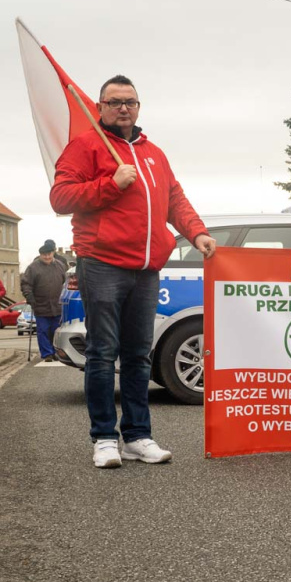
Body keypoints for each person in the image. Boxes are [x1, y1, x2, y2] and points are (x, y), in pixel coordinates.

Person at [50, 74, 216, 469]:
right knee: (103, 354)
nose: (124, 108)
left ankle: (138, 436)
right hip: (102, 263)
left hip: (146, 269)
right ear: (100, 107)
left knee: (140, 356)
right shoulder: (84, 147)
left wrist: (198, 233)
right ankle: (105, 438)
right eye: (115, 102)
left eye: (131, 102)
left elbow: (174, 199)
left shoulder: (153, 152)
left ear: (138, 108)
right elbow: (60, 198)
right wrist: (111, 183)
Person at [21, 240, 68, 361]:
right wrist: (29, 296)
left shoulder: (60, 265)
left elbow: (66, 283)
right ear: (40, 255)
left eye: (49, 254)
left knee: (55, 330)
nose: (47, 257)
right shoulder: (33, 267)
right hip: (40, 304)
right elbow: (26, 284)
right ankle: (47, 353)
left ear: (53, 253)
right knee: (42, 331)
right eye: (44, 255)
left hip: (57, 304)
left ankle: (55, 351)